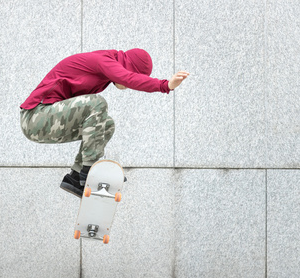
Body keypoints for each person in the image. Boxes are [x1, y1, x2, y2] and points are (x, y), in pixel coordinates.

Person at [20, 49, 189, 198]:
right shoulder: (104, 61)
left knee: (106, 125)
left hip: (50, 120)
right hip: (36, 116)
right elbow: (127, 77)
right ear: (127, 66)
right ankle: (88, 173)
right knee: (98, 103)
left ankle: (76, 177)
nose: (127, 86)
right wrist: (165, 85)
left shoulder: (104, 71)